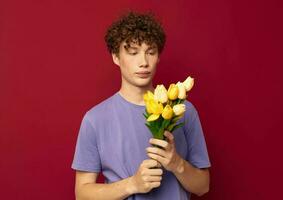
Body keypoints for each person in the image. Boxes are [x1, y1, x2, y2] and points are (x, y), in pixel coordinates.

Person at [71, 10, 211, 200]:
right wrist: (132, 184)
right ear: (116, 57)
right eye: (133, 53)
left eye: (150, 52)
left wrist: (177, 163)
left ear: (158, 56)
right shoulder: (94, 120)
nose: (143, 62)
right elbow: (82, 194)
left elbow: (203, 186)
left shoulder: (183, 110)